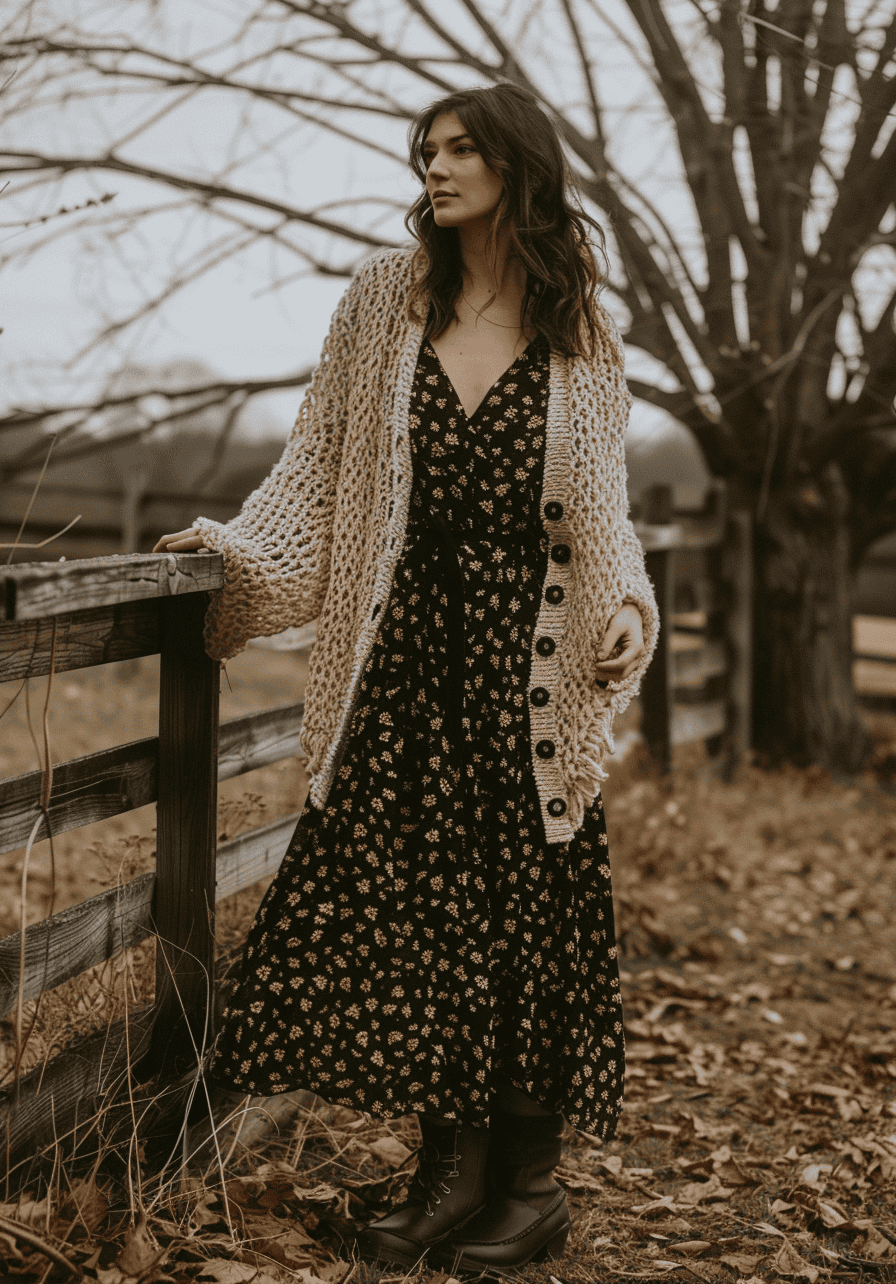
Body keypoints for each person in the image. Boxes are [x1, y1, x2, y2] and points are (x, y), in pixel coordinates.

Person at [154, 82, 658, 1275]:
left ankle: (526, 1193)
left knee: (528, 929)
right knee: (429, 926)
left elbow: (604, 512)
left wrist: (627, 606)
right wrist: (233, 550)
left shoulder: (580, 323)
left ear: (515, 164)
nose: (435, 168)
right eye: (425, 151)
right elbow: (316, 468)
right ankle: (450, 1177)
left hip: (527, 673)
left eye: (462, 149)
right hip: (404, 668)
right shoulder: (382, 300)